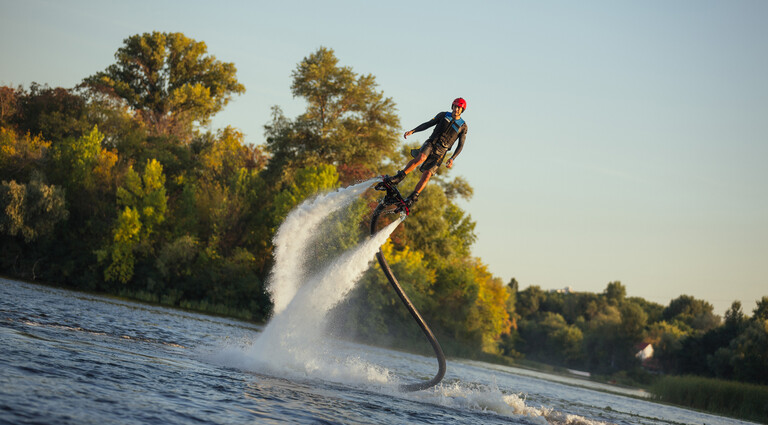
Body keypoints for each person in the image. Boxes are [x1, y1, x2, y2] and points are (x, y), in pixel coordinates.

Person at [384, 97, 468, 207]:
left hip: (441, 152)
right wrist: (413, 131)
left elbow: (460, 145)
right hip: (431, 143)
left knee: (427, 175)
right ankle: (399, 177)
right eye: (455, 106)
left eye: (459, 108)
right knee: (421, 158)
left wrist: (452, 158)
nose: (456, 109)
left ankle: (413, 197)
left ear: (462, 110)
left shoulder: (463, 126)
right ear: (452, 106)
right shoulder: (443, 115)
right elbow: (427, 124)